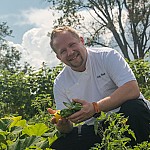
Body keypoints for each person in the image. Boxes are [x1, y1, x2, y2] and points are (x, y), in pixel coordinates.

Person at [48, 26, 150, 150]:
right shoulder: (60, 82)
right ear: (59, 57)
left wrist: (95, 108)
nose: (70, 52)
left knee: (134, 107)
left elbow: (131, 89)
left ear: (81, 41)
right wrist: (63, 126)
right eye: (63, 51)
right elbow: (68, 127)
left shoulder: (106, 56)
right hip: (96, 128)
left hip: (126, 118)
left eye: (72, 45)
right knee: (60, 145)